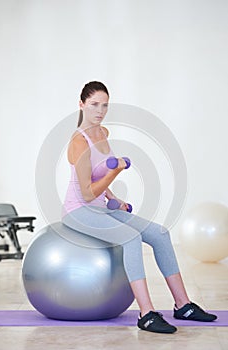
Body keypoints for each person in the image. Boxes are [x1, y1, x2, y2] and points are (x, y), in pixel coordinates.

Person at [62, 81, 217, 334]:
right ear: (81, 105)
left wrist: (115, 199)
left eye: (104, 105)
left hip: (100, 207)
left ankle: (183, 305)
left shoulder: (103, 134)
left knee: (160, 233)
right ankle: (146, 314)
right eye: (93, 105)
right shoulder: (78, 142)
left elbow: (94, 177)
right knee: (131, 238)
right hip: (78, 212)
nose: (100, 111)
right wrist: (115, 172)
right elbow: (87, 192)